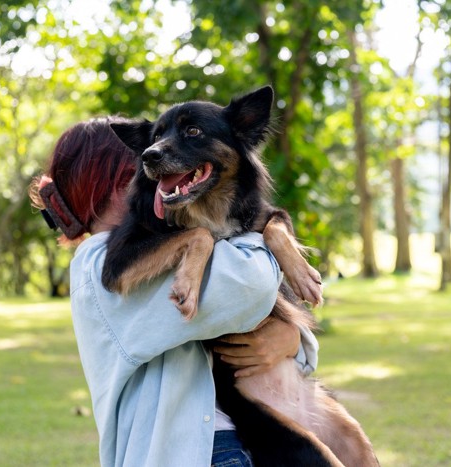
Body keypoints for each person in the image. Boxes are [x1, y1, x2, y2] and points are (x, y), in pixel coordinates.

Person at [30, 117, 319, 467]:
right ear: (116, 181)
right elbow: (249, 285)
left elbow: (247, 322)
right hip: (203, 452)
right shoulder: (103, 262)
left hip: (250, 439)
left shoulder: (168, 241)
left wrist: (294, 339)